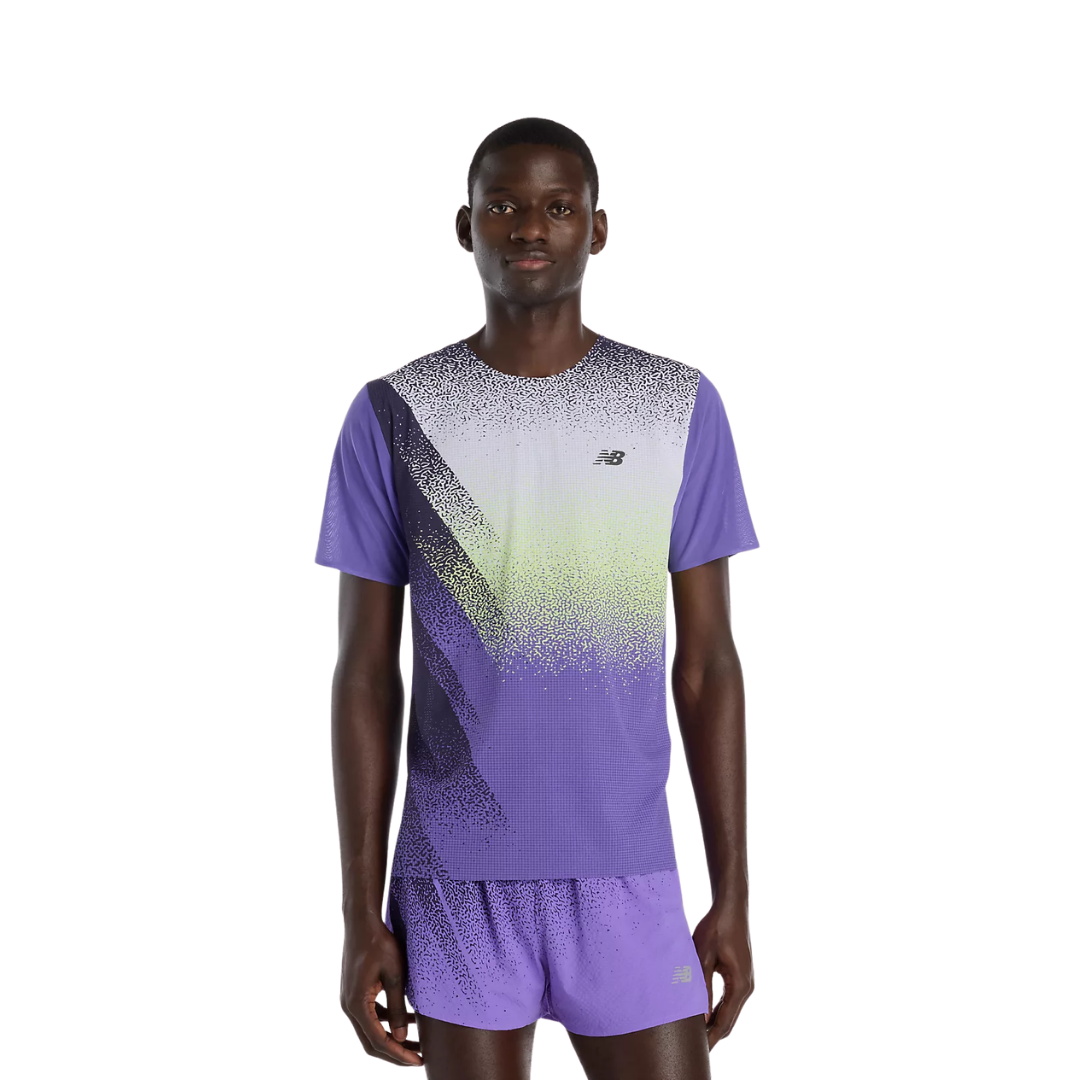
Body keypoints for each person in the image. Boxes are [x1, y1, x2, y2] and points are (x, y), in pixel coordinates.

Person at [315, 116, 758, 1078]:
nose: (529, 228)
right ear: (464, 225)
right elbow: (365, 677)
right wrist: (359, 916)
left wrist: (734, 894)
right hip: (452, 879)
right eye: (504, 205)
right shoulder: (393, 411)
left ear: (598, 229)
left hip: (629, 874)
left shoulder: (676, 403)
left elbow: (708, 664)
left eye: (559, 207)